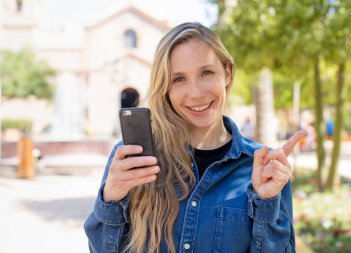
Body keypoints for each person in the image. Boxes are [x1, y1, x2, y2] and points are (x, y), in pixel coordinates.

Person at [84, 22, 305, 253]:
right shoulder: (132, 159)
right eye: (178, 79)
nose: (196, 93)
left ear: (227, 74)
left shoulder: (264, 167)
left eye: (206, 73)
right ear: (165, 88)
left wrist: (266, 204)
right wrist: (111, 200)